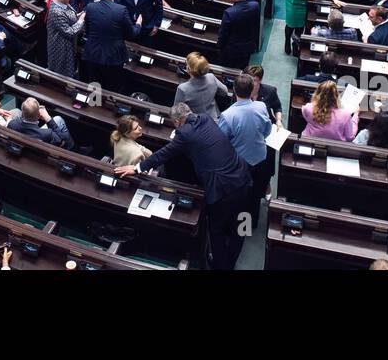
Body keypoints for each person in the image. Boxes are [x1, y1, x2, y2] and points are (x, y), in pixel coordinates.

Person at [114, 102, 251, 271]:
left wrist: (137, 168)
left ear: (178, 122)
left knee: (216, 229)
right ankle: (232, 258)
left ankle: (221, 267)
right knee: (241, 221)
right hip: (241, 175)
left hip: (222, 187)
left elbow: (164, 154)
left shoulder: (184, 133)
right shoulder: (206, 118)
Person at [218, 72, 272, 218]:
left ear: (234, 90)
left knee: (240, 198)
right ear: (251, 89)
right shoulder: (261, 106)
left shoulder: (227, 115)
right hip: (260, 158)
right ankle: (251, 223)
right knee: (255, 194)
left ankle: (242, 228)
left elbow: (221, 143)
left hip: (239, 164)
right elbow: (268, 130)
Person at [80, 0, 134, 92]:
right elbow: (131, 33)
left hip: (93, 54)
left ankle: (94, 106)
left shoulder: (90, 7)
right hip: (113, 57)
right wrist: (138, 24)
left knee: (95, 89)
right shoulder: (121, 10)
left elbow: (88, 31)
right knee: (113, 89)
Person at [216, 0, 260, 68]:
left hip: (231, 51)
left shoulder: (229, 13)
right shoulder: (255, 5)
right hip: (248, 47)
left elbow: (223, 34)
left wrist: (219, 46)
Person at [45, 0, 84, 78]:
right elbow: (69, 32)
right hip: (61, 47)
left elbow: (69, 16)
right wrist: (80, 21)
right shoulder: (56, 11)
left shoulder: (61, 1)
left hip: (67, 44)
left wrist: (79, 15)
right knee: (62, 74)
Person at [174, 51, 228, 120]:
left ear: (188, 69)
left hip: (196, 123)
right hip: (214, 120)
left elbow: (177, 112)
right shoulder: (211, 77)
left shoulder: (183, 89)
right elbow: (225, 92)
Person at [8, 97, 76, 149]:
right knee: (58, 119)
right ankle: (73, 148)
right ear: (38, 115)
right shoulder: (48, 134)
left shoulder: (12, 124)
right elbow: (63, 143)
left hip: (23, 149)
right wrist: (48, 119)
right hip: (40, 156)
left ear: (22, 113)